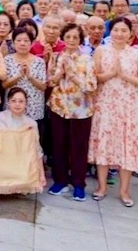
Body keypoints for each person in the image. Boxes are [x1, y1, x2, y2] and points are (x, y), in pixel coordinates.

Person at [88, 17, 138, 206]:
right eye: (116, 30)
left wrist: (124, 75)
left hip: (129, 106)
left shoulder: (137, 54)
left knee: (127, 146)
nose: (120, 34)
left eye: (124, 30)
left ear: (130, 33)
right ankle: (102, 187)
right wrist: (111, 74)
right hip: (105, 104)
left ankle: (124, 191)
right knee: (104, 143)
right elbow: (93, 77)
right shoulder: (101, 51)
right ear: (110, 31)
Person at [47, 23, 97, 202]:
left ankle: (78, 184)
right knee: (58, 145)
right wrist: (59, 73)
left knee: (78, 147)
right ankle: (60, 180)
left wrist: (73, 75)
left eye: (75, 37)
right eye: (68, 37)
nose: (71, 40)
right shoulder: (56, 56)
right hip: (59, 107)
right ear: (63, 38)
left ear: (80, 39)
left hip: (80, 110)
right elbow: (50, 82)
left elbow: (91, 86)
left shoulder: (87, 59)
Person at [0, 88, 45, 189]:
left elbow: (37, 150)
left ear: (26, 104)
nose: (17, 104)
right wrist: (22, 130)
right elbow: (4, 138)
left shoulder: (32, 123)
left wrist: (41, 174)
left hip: (22, 160)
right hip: (4, 157)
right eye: (14, 101)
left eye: (21, 101)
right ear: (8, 102)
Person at [1, 27, 47, 131]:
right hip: (14, 107)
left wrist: (30, 77)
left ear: (32, 43)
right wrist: (19, 76)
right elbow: (4, 85)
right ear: (13, 43)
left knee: (33, 137)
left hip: (34, 107)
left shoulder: (39, 62)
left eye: (26, 41)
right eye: (18, 40)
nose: (22, 43)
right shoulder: (7, 60)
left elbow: (43, 86)